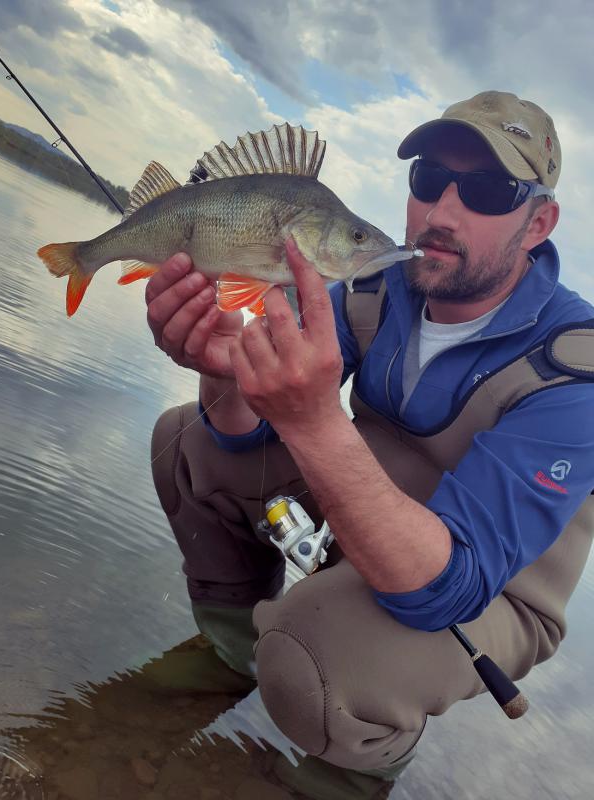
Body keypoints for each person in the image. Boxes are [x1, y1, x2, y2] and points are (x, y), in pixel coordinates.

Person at [145, 91, 594, 799]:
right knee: (186, 443)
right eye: (428, 179)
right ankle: (231, 653)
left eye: (486, 190)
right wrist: (225, 371)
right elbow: (245, 435)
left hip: (487, 591)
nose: (443, 212)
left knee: (313, 651)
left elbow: (447, 587)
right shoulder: (376, 287)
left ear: (538, 222)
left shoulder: (574, 370)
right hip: (361, 510)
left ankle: (354, 772)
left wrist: (314, 423)